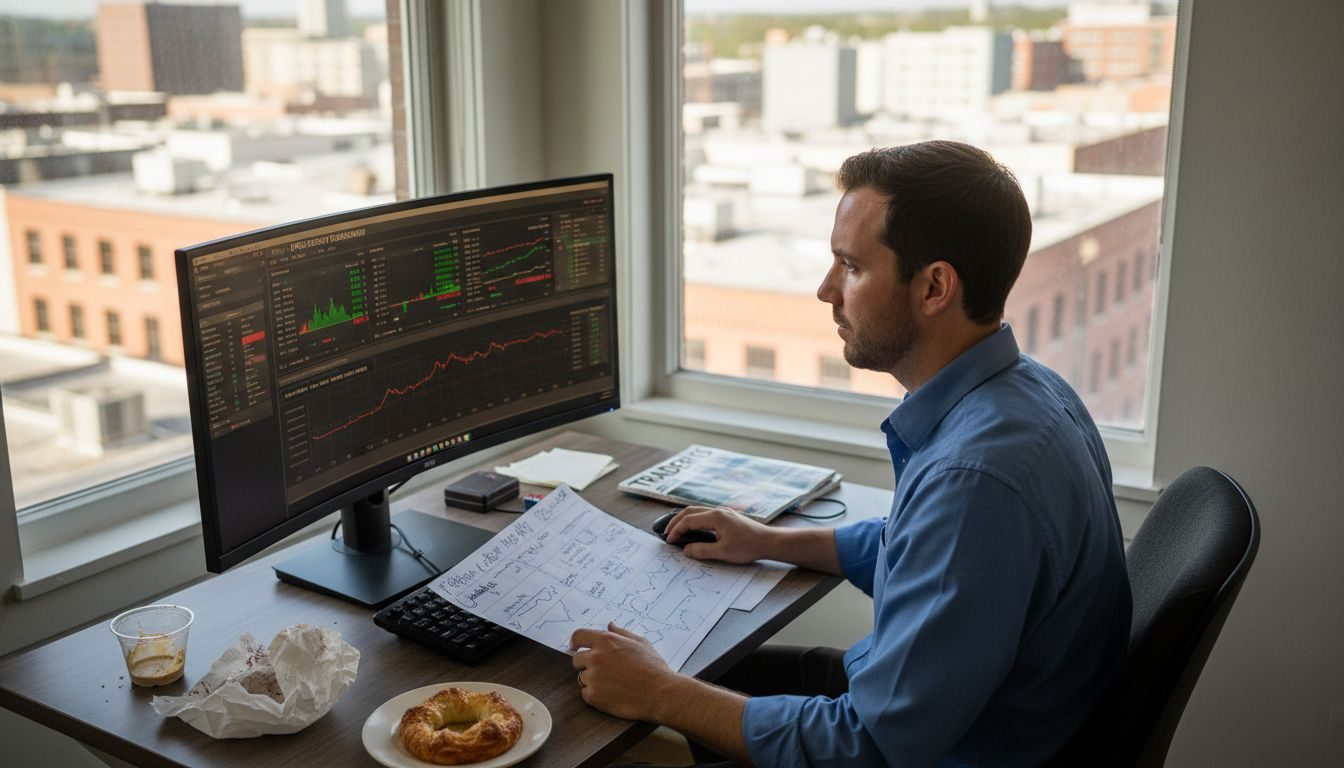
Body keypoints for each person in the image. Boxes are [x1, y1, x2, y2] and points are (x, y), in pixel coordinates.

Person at [569, 140, 1132, 767]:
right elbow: (910, 544)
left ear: (934, 287)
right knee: (719, 677)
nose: (825, 290)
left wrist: (659, 693)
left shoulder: (976, 479)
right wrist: (770, 541)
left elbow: (867, 748)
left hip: (940, 751)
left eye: (851, 266)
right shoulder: (1029, 390)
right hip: (967, 717)